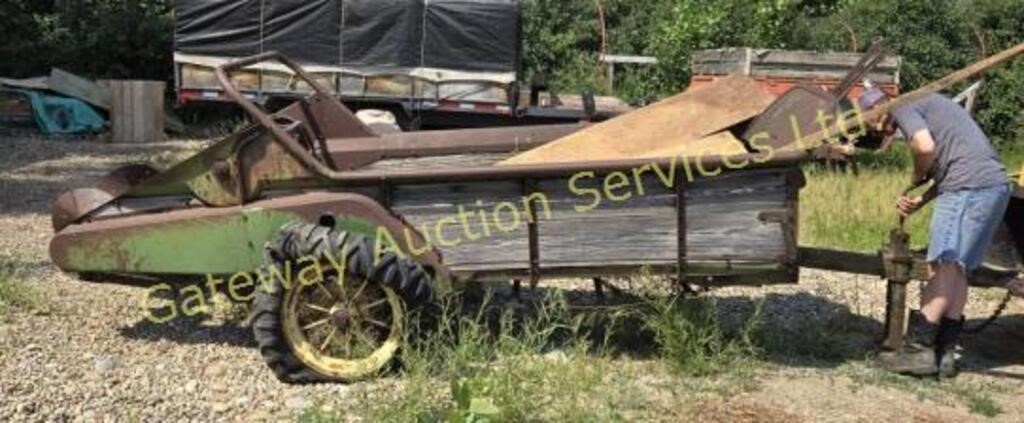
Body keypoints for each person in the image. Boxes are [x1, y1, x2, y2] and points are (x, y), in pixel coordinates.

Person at [858, 88, 1012, 377]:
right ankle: (945, 355)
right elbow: (954, 162)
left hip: (966, 188)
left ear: (878, 110)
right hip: (993, 187)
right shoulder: (929, 103)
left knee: (941, 266)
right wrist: (923, 199)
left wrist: (916, 176)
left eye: (871, 120)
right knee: (958, 270)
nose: (875, 127)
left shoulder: (901, 105)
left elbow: (924, 147)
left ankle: (917, 351)